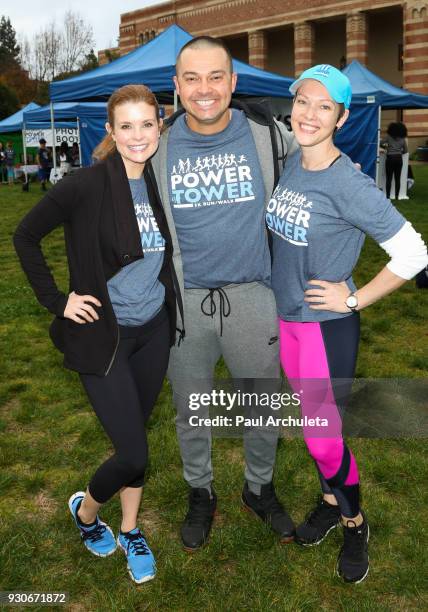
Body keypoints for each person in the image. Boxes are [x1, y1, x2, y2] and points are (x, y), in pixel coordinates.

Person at [266, 64, 428, 583]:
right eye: (303, 102)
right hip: (289, 321)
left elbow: (412, 252)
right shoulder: (293, 163)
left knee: (322, 438)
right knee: (321, 433)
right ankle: (330, 499)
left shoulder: (348, 182)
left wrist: (354, 298)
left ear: (341, 115)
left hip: (323, 328)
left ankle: (354, 521)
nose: (309, 114)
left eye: (324, 106)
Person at [14, 84, 180, 584]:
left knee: (137, 438)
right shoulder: (85, 184)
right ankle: (87, 513)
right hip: (104, 337)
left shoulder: (157, 180)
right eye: (125, 126)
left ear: (159, 126)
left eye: (146, 124)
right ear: (110, 131)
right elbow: (24, 235)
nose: (137, 135)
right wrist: (58, 300)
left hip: (154, 330)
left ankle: (130, 528)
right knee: (134, 452)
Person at [152, 36, 299, 551]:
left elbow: (321, 167)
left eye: (216, 76)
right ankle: (200, 491)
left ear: (233, 83)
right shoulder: (158, 145)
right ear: (176, 87)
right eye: (191, 78)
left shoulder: (267, 135)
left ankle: (259, 487)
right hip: (186, 302)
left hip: (255, 293)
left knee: (263, 403)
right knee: (190, 406)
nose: (204, 89)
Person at [381, 121, 408, 200]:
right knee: (397, 178)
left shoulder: (388, 137)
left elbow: (380, 143)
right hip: (399, 159)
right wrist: (399, 151)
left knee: (389, 178)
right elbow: (406, 150)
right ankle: (397, 196)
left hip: (390, 158)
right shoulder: (403, 139)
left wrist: (387, 147)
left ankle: (388, 196)